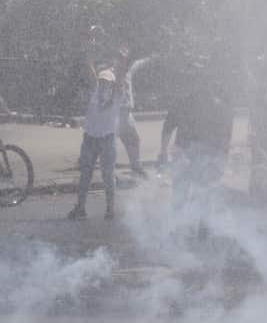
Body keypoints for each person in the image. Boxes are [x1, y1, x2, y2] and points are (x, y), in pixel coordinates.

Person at [158, 66, 234, 210]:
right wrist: (163, 153)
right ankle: (184, 227)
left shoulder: (214, 106)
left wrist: (163, 153)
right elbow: (167, 128)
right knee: (190, 195)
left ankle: (187, 227)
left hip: (201, 157)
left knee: (195, 196)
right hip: (189, 156)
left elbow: (225, 136)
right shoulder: (187, 103)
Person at [68, 54, 126, 220]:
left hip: (107, 140)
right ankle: (80, 208)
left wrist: (121, 61)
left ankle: (110, 209)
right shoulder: (95, 92)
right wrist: (89, 53)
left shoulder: (116, 96)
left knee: (108, 175)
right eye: (101, 81)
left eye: (107, 81)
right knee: (85, 174)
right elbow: (90, 70)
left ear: (112, 84)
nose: (103, 83)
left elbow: (121, 80)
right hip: (89, 139)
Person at [117, 49, 152, 177]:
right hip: (119, 113)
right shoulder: (114, 73)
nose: (126, 62)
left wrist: (151, 59)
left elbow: (137, 64)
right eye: (123, 59)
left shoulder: (128, 70)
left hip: (126, 113)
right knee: (128, 140)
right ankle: (135, 166)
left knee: (132, 140)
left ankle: (136, 166)